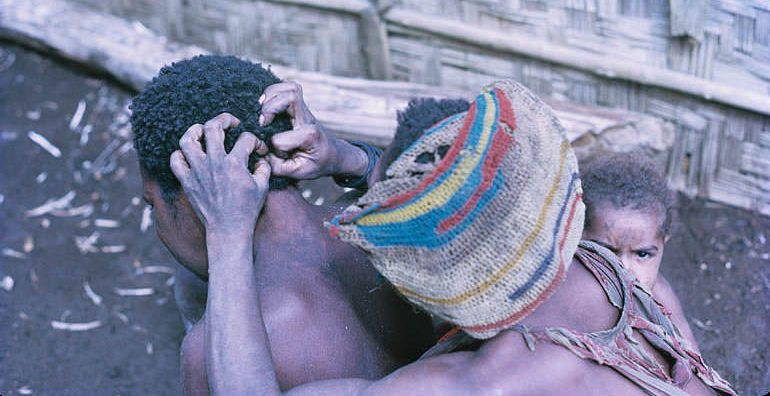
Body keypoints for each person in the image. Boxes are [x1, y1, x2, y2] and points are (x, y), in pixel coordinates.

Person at [172, 78, 736, 396]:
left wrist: (226, 234)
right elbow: (473, 203)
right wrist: (345, 157)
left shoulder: (465, 387)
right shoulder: (615, 271)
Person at [129, 55, 436, 394]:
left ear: (196, 192)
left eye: (151, 202)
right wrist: (346, 155)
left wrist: (225, 233)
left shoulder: (210, 352)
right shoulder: (390, 218)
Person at [580, 152, 700, 350]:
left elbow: (692, 355)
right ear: (579, 236)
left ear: (663, 243)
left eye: (642, 254)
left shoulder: (661, 300)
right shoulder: (565, 281)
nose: (624, 269)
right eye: (605, 251)